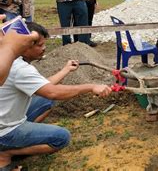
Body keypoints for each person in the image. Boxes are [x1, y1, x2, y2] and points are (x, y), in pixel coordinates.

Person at [0, 22, 111, 170]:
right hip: (5, 131)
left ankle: (23, 138)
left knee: (45, 101)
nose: (44, 48)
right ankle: (6, 152)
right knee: (61, 138)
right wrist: (91, 86)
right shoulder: (20, 69)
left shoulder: (10, 60)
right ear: (24, 46)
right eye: (39, 45)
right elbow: (53, 92)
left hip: (5, 118)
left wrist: (66, 70)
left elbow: (44, 87)